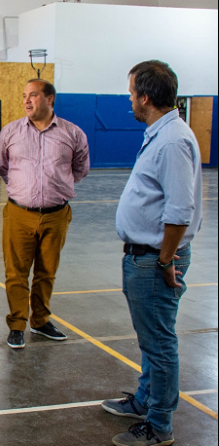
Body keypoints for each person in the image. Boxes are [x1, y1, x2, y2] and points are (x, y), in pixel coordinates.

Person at [103, 60, 202, 446]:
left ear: (145, 97)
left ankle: (159, 425)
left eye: (131, 93)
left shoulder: (174, 140)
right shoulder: (160, 133)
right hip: (144, 256)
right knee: (151, 339)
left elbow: (179, 211)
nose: (129, 99)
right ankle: (145, 400)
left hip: (154, 259)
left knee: (160, 344)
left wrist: (164, 260)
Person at [0, 79, 90, 349]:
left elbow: (80, 169)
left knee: (46, 272)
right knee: (16, 273)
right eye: (24, 95)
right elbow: (1, 167)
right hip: (19, 213)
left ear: (50, 100)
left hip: (56, 215)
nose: (26, 100)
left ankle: (41, 320)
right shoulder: (10, 132)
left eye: (33, 95)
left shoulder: (73, 134)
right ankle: (17, 325)